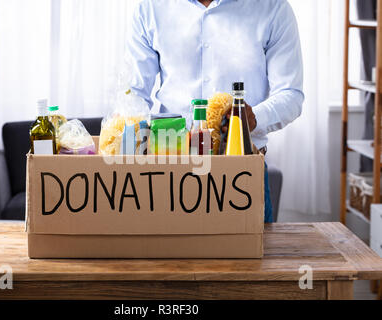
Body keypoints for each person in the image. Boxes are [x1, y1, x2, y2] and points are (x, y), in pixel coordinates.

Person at [126, 0, 304, 223]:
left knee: (251, 257)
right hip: (169, 171)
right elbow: (134, 95)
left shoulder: (273, 8)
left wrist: (254, 118)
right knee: (165, 256)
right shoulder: (150, 9)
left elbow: (291, 94)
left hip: (242, 170)